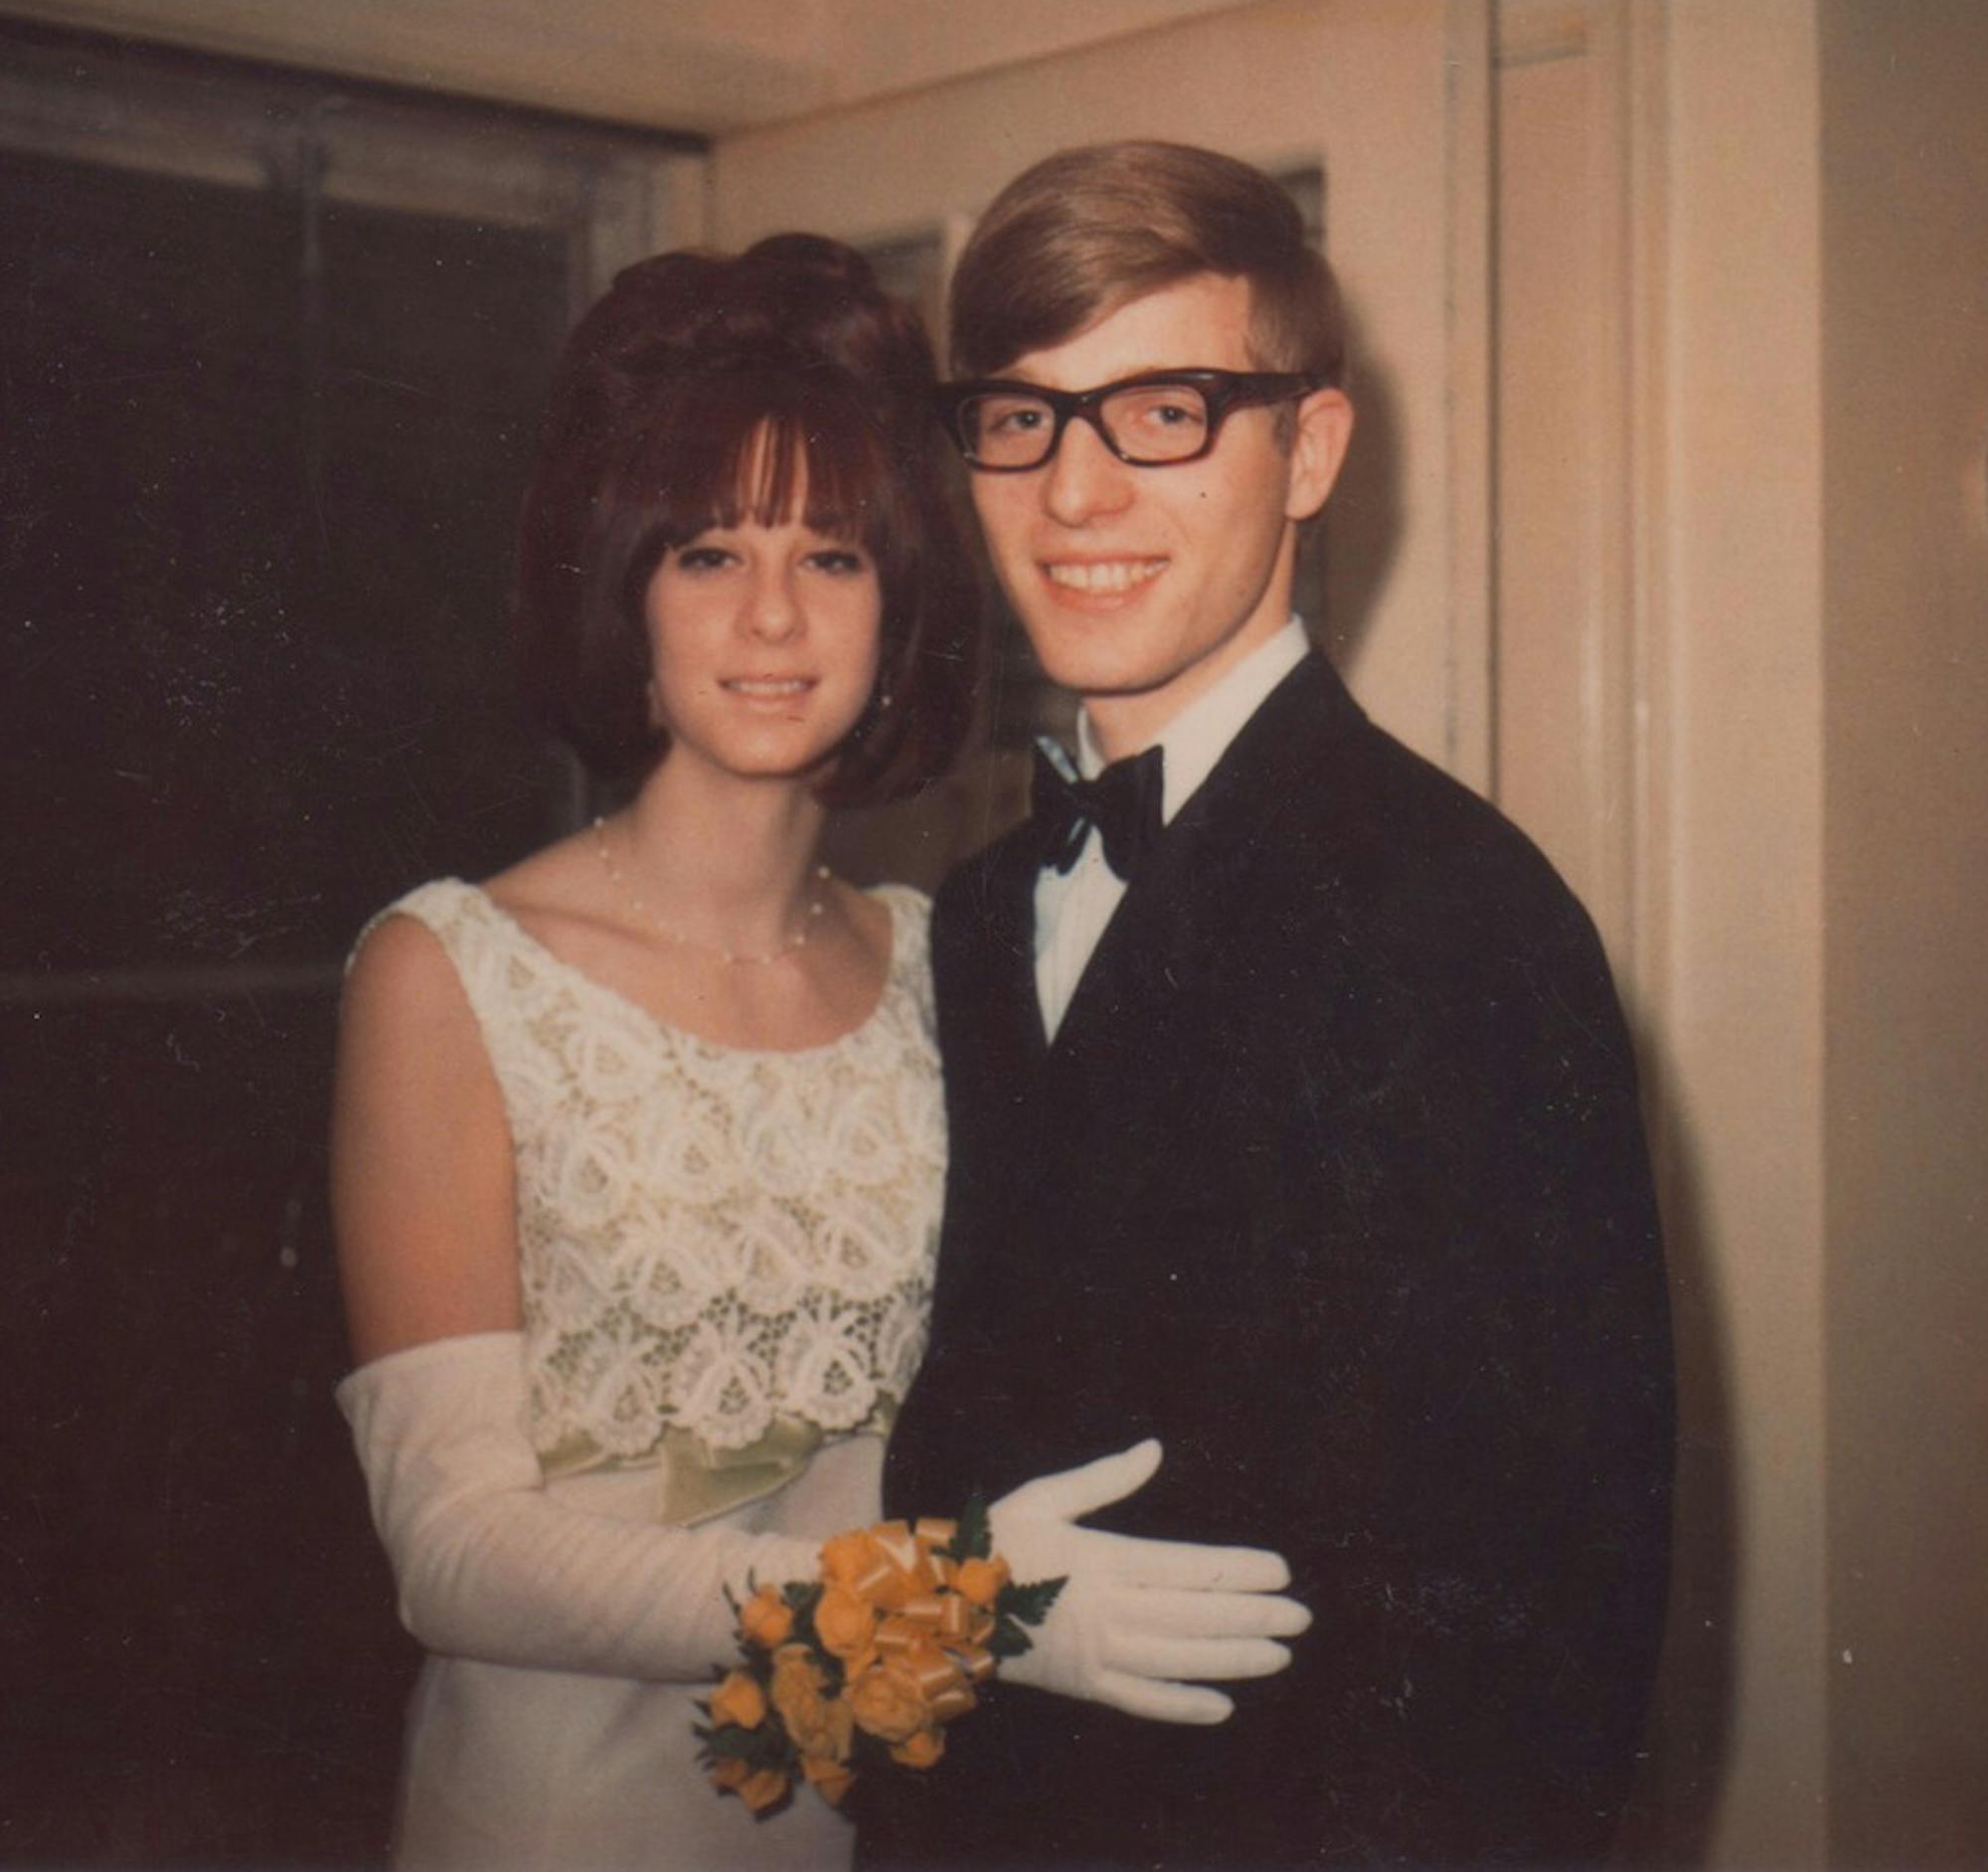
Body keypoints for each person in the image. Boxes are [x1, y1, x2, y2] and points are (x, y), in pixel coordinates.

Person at [330, 235, 1309, 1871]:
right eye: (709, 555)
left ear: (901, 603)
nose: (773, 616)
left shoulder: (952, 956)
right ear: (621, 586)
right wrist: (961, 1605)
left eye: (835, 558)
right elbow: (452, 1552)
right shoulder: (452, 973)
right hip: (565, 1818)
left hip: (884, 1813)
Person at [868, 143, 1677, 1869]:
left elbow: (1555, 1635)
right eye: (1022, 417)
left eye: (1164, 410)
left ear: (1308, 449)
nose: (1077, 494)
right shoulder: (977, 913)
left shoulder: (1466, 921)